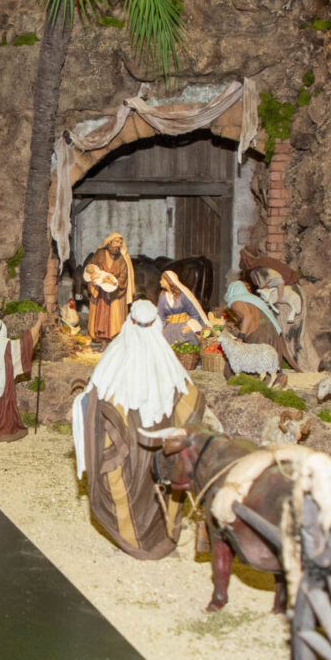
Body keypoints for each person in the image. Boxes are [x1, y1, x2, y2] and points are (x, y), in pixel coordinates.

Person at [71, 299, 205, 558]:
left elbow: (95, 390)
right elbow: (188, 395)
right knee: (158, 488)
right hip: (157, 436)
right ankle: (158, 539)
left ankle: (134, 539)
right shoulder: (164, 354)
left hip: (127, 437)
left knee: (131, 489)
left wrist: (80, 407)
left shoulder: (117, 352)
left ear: (129, 321)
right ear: (156, 324)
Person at [84, 232, 135, 343]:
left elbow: (124, 275)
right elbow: (91, 267)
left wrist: (114, 283)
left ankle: (113, 338)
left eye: (120, 243)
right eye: (116, 242)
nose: (118, 245)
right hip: (99, 291)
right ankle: (100, 337)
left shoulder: (122, 259)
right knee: (99, 316)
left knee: (114, 318)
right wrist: (97, 277)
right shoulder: (100, 254)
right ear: (109, 242)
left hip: (114, 293)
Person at [157, 269, 212, 346]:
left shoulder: (183, 296)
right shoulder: (162, 297)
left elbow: (194, 314)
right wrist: (161, 329)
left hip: (183, 326)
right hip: (169, 328)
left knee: (189, 336)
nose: (160, 281)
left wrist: (190, 326)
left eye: (162, 279)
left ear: (168, 281)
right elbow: (161, 316)